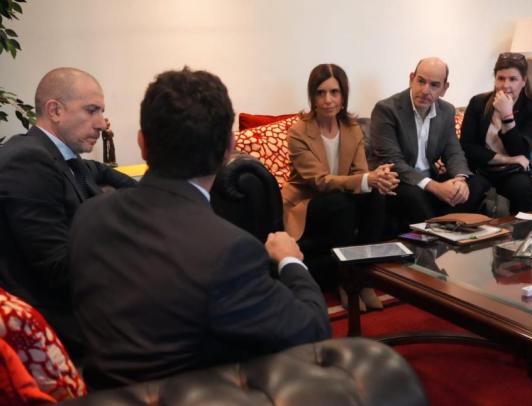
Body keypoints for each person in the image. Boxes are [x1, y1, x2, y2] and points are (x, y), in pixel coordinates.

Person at [69, 67, 331, 389]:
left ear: (142, 144)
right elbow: (311, 329)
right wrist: (290, 261)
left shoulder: (88, 215)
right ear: (228, 150)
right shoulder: (231, 250)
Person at [0, 67, 137, 356]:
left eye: (102, 111)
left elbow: (100, 171)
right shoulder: (27, 160)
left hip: (86, 309)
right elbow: (57, 268)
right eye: (92, 110)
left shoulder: (65, 159)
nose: (102, 124)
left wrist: (152, 199)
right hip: (58, 327)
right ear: (55, 110)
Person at [282, 64, 399, 311]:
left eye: (334, 92)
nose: (328, 100)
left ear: (343, 95)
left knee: (376, 197)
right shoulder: (298, 132)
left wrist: (379, 179)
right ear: (312, 96)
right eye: (321, 93)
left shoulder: (352, 129)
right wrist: (366, 180)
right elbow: (320, 181)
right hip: (308, 203)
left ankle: (364, 278)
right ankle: (345, 282)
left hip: (341, 196)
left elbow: (359, 172)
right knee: (340, 203)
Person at [370, 57, 489, 226]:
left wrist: (460, 179)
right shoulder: (387, 109)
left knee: (476, 184)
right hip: (400, 181)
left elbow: (453, 151)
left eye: (434, 85)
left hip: (431, 178)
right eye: (421, 81)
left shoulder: (446, 110)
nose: (425, 90)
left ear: (444, 88)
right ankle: (439, 230)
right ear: (411, 79)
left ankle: (444, 227)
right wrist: (435, 187)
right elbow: (393, 161)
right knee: (414, 195)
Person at [460, 52, 532, 214]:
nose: (506, 85)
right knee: (470, 189)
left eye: (513, 79)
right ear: (495, 79)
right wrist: (506, 159)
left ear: (523, 81)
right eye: (501, 78)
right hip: (481, 169)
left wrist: (507, 116)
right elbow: (467, 147)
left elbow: (519, 151)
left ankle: (524, 229)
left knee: (521, 187)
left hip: (512, 172)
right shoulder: (478, 103)